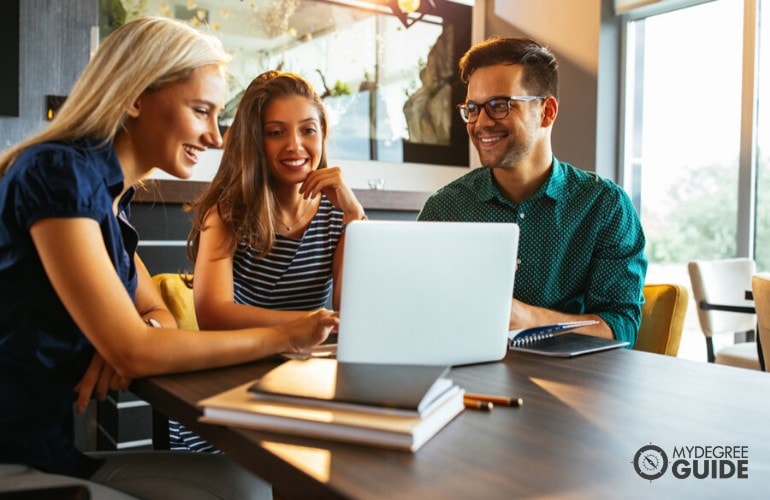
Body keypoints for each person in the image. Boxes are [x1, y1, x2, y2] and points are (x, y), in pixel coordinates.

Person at [0, 17, 337, 499]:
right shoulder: (59, 175)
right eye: (201, 111)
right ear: (135, 97)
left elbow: (151, 315)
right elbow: (134, 351)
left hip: (48, 450)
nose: (216, 137)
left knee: (255, 486)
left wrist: (130, 335)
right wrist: (290, 334)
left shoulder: (110, 199)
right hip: (13, 460)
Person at [174, 70, 365, 451]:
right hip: (231, 385)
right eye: (276, 132)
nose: (295, 145)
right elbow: (213, 312)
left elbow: (355, 314)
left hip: (303, 386)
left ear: (323, 133)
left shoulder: (334, 214)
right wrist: (307, 325)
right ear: (254, 141)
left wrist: (355, 219)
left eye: (307, 130)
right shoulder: (228, 211)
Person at [418, 36, 647, 345]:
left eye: (499, 105)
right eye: (472, 108)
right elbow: (420, 309)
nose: (480, 122)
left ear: (547, 111)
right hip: (470, 377)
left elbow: (620, 329)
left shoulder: (605, 207)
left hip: (574, 385)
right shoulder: (445, 208)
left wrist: (525, 319)